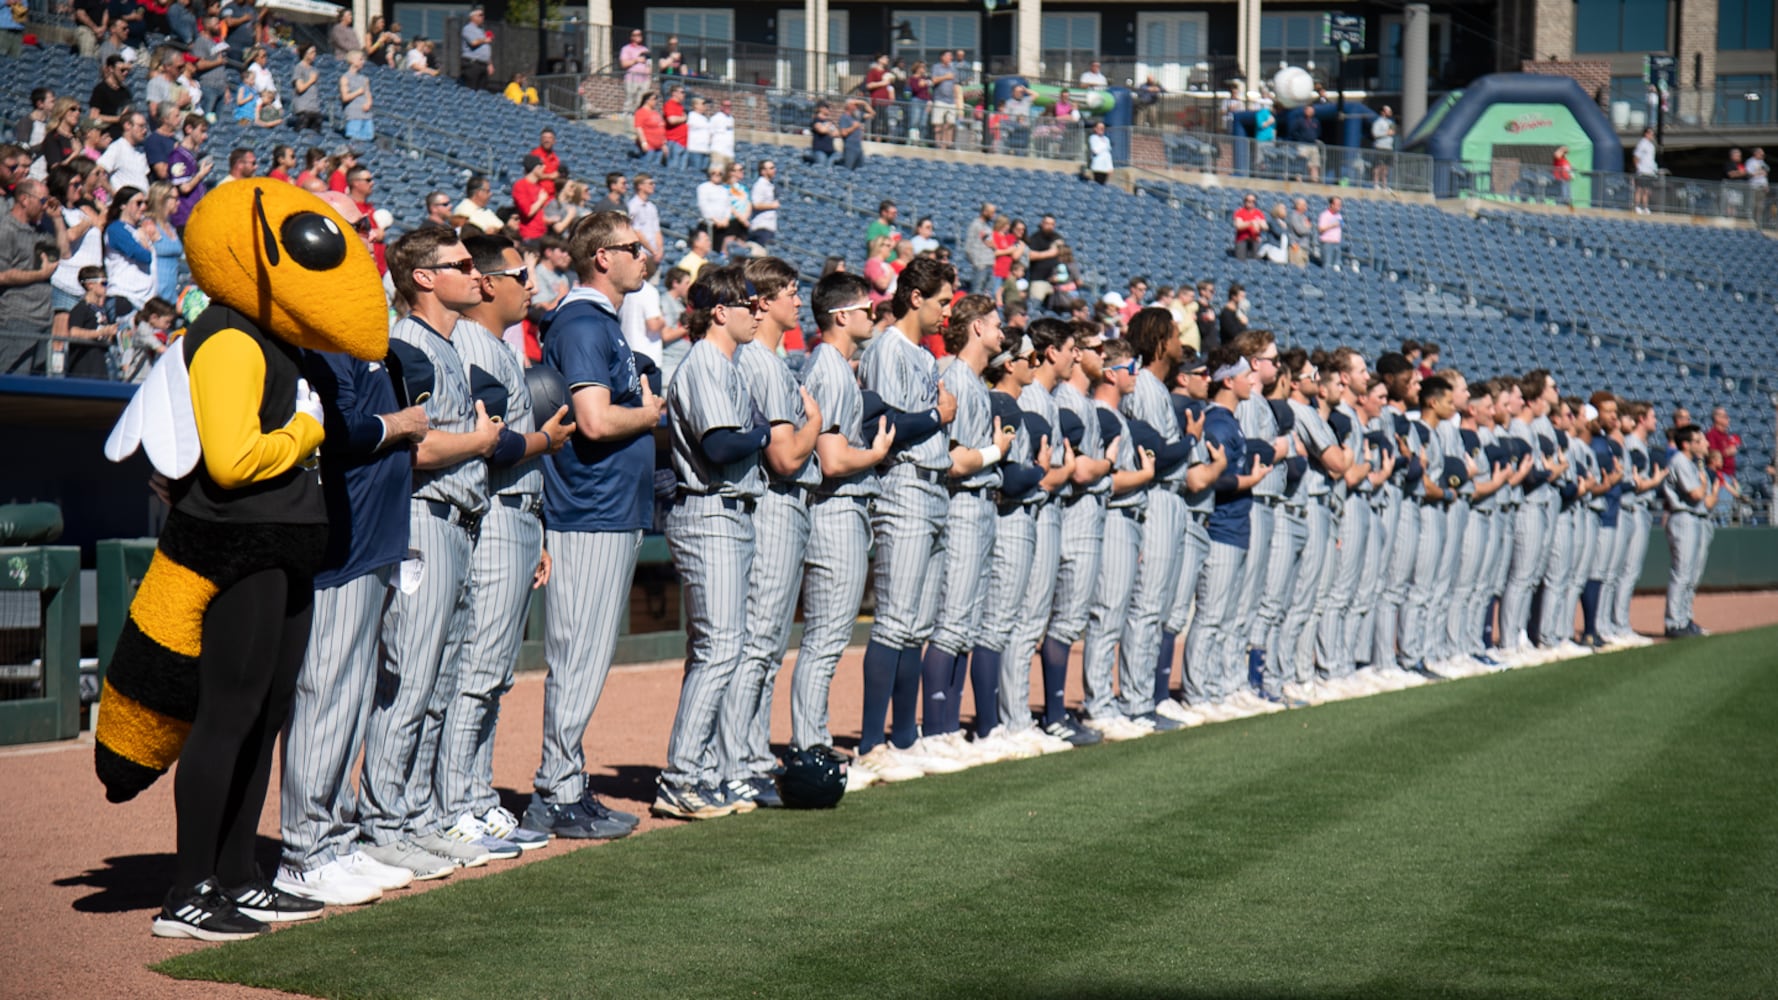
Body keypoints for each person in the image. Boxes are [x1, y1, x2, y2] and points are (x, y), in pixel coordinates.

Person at [274, 194, 435, 906]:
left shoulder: (351, 329)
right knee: (326, 693)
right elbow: (331, 435)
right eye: (355, 228)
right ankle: (305, 851)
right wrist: (399, 423)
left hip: (373, 537)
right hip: (337, 541)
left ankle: (333, 838)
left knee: (348, 694)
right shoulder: (315, 334)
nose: (370, 236)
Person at [356, 226, 508, 876]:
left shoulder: (445, 345)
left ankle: (416, 818)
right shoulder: (406, 344)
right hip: (424, 518)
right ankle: (382, 824)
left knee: (440, 679)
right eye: (463, 265)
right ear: (424, 276)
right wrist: (479, 443)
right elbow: (413, 448)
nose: (479, 276)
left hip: (461, 519)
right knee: (410, 679)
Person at [429, 233, 575, 854]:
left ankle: (477, 796)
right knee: (477, 668)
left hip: (520, 513)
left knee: (496, 674)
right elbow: (496, 445)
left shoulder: (498, 346)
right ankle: (454, 802)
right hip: (490, 515)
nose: (532, 286)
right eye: (522, 274)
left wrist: (537, 530)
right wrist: (544, 440)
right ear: (489, 282)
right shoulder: (469, 345)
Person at [520, 210, 656, 840]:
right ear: (602, 256)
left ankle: (568, 782)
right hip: (589, 509)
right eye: (633, 247)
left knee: (588, 655)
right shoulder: (580, 322)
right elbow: (595, 422)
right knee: (579, 656)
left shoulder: (598, 322)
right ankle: (556, 791)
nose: (646, 255)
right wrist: (649, 413)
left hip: (607, 509)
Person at [652, 263, 768, 820]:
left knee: (721, 648)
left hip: (730, 512)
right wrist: (764, 432)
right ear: (720, 311)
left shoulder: (727, 363)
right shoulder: (704, 363)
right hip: (709, 510)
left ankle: (700, 771)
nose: (758, 312)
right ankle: (681, 778)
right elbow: (720, 445)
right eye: (749, 303)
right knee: (721, 649)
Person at [716, 256, 822, 807]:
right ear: (761, 301)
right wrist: (815, 428)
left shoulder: (772, 360)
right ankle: (739, 760)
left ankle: (748, 754)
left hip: (787, 506)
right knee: (757, 644)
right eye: (789, 291)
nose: (797, 301)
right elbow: (784, 456)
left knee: (766, 645)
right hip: (776, 503)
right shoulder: (759, 360)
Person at [853, 256, 960, 776]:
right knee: (895, 620)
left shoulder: (920, 353)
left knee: (916, 624)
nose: (947, 311)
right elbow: (885, 423)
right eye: (942, 300)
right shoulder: (886, 349)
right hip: (904, 486)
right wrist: (937, 416)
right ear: (915, 297)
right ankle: (872, 744)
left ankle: (903, 735)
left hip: (934, 486)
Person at [1662, 425, 1717, 637]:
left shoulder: (1691, 463)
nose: (1704, 444)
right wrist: (1704, 485)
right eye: (1698, 440)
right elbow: (1696, 494)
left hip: (1695, 518)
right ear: (1686, 444)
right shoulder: (1680, 461)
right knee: (1682, 573)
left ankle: (1684, 619)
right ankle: (1674, 623)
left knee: (1691, 575)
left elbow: (1705, 498)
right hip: (1683, 517)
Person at [0, 179, 58, 374]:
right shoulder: (6, 229)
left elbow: (64, 253)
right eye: (43, 201)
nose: (46, 206)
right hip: (16, 317)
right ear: (24, 199)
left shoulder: (40, 231)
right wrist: (40, 274)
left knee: (35, 386)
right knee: (13, 380)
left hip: (43, 318)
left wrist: (57, 219)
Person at [103, 185, 157, 317]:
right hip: (125, 297)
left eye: (145, 203)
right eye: (138, 203)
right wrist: (145, 240)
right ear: (123, 205)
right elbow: (144, 256)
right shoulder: (116, 229)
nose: (143, 207)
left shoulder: (138, 230)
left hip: (143, 300)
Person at [339, 51, 374, 142]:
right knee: (355, 141)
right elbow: (345, 97)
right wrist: (358, 92)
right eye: (360, 59)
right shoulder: (345, 78)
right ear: (352, 61)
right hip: (354, 116)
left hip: (366, 116)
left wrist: (369, 103)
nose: (363, 62)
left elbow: (368, 94)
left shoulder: (364, 79)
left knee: (368, 141)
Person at [290, 45, 323, 132]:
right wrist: (311, 80)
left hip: (315, 109)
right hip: (304, 109)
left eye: (315, 52)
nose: (314, 54)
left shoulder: (314, 70)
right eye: (312, 52)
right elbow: (300, 88)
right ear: (305, 53)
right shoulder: (299, 68)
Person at [459, 5, 493, 92]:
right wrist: (485, 40)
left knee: (482, 92)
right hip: (472, 64)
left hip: (483, 64)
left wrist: (489, 64)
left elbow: (484, 48)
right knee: (471, 90)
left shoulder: (480, 30)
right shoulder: (468, 28)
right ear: (473, 17)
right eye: (480, 15)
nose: (483, 17)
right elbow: (473, 42)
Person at [1704, 406, 1740, 486]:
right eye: (1725, 417)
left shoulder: (1726, 435)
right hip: (1720, 476)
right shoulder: (1711, 435)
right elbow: (1711, 456)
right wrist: (1726, 452)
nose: (1728, 419)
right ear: (1717, 418)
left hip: (1730, 475)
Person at [748, 160, 779, 247]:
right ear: (763, 171)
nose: (774, 170)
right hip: (762, 226)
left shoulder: (769, 185)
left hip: (769, 226)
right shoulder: (760, 185)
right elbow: (756, 204)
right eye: (771, 168)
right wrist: (772, 205)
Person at [619, 29, 651, 112]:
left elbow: (649, 63)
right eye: (636, 35)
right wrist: (636, 60)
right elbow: (623, 64)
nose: (639, 36)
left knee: (641, 101)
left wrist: (649, 72)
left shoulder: (645, 49)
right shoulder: (626, 49)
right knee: (629, 101)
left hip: (644, 80)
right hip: (631, 79)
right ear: (632, 37)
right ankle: (626, 121)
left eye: (640, 35)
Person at [632, 91, 665, 162]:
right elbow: (639, 128)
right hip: (649, 147)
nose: (655, 101)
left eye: (656, 99)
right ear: (647, 100)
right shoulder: (641, 112)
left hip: (658, 147)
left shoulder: (655, 112)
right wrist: (643, 142)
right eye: (654, 99)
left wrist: (663, 143)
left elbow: (661, 127)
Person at [661, 86, 689, 170]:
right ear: (674, 93)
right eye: (682, 92)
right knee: (673, 170)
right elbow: (671, 120)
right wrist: (684, 118)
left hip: (683, 142)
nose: (684, 95)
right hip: (674, 141)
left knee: (682, 172)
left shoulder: (680, 106)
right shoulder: (670, 104)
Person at [684, 96, 713, 175]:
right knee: (694, 173)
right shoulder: (691, 116)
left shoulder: (704, 118)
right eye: (702, 104)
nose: (704, 106)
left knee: (702, 174)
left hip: (705, 150)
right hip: (695, 149)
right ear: (696, 105)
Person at [839, 99, 870, 170]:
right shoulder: (844, 117)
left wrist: (864, 102)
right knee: (848, 169)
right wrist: (854, 127)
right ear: (848, 106)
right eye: (854, 105)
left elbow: (872, 113)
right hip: (850, 147)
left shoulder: (855, 117)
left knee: (861, 169)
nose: (856, 107)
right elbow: (843, 133)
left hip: (858, 146)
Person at [1232, 193, 1265, 260]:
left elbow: (1265, 226)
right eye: (1249, 201)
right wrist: (1251, 223)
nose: (1251, 203)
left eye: (1253, 201)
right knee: (1241, 260)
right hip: (1242, 239)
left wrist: (1260, 224)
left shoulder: (1259, 213)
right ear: (1245, 201)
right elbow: (1238, 225)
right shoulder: (1239, 212)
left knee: (1257, 261)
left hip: (1255, 239)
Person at [1632, 127, 1657, 214]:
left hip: (1649, 172)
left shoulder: (1651, 146)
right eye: (1651, 133)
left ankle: (1645, 207)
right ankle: (1637, 206)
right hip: (1642, 171)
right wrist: (1638, 168)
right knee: (1639, 189)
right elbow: (1636, 157)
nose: (1652, 135)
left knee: (1647, 190)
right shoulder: (1642, 143)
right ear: (1646, 134)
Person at [808, 102, 839, 167]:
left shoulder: (828, 122)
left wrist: (827, 130)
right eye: (825, 108)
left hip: (830, 151)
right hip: (820, 151)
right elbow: (822, 130)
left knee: (829, 171)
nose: (827, 110)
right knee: (821, 170)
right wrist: (828, 128)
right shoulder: (816, 120)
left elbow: (836, 133)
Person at [709, 100, 737, 173]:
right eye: (725, 106)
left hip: (729, 152)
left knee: (729, 175)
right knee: (718, 172)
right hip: (718, 151)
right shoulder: (715, 118)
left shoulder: (731, 119)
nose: (728, 108)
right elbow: (710, 134)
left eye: (729, 106)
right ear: (721, 107)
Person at [1318, 197, 1344, 271]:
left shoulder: (1339, 216)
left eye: (1340, 205)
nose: (1339, 206)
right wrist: (1332, 225)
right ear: (1332, 205)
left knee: (1336, 266)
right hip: (1327, 243)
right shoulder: (1324, 215)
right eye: (1337, 204)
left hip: (1337, 243)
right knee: (1327, 265)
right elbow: (1320, 229)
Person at [1371, 105, 1395, 187]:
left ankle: (1384, 185)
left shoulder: (1390, 123)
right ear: (1382, 112)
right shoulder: (1378, 122)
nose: (1390, 112)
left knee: (1385, 168)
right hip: (1380, 147)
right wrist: (1386, 133)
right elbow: (1375, 134)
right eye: (1387, 111)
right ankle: (1376, 183)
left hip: (1388, 148)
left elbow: (1392, 132)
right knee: (1378, 166)